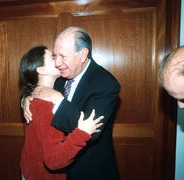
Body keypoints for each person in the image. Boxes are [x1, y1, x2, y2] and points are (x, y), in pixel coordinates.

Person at [24, 26, 121, 179]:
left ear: (83, 55)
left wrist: (58, 99)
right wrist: (26, 100)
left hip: (89, 171)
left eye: (63, 56)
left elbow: (90, 130)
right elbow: (34, 86)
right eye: (55, 56)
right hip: (58, 171)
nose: (57, 63)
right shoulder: (59, 75)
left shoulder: (106, 84)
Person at [19, 46, 104, 180]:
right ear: (41, 69)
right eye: (53, 57)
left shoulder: (35, 95)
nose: (58, 60)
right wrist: (82, 133)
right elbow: (53, 161)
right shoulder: (48, 106)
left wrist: (25, 99)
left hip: (30, 171)